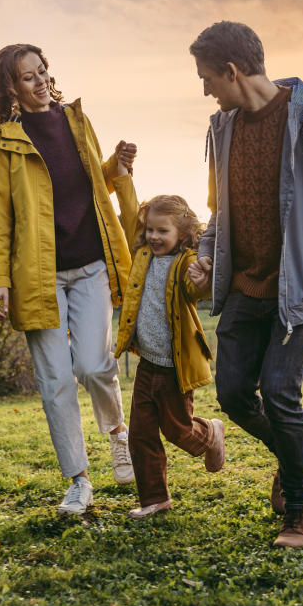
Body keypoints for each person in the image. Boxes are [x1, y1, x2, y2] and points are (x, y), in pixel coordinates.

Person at [187, 22, 303, 547]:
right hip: (248, 286)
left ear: (232, 70)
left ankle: (300, 508)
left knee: (279, 390)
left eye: (207, 78)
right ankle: (291, 463)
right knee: (230, 392)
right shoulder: (222, 127)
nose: (204, 89)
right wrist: (205, 255)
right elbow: (216, 213)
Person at [0, 44, 138, 516]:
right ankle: (78, 482)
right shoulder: (4, 140)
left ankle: (118, 434)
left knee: (92, 364)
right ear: (11, 87)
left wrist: (117, 166)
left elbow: (91, 184)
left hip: (91, 267)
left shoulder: (76, 121)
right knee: (55, 380)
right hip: (37, 276)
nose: (41, 81)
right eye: (28, 77)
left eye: (43, 72)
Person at [114, 194, 226, 519]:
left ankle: (210, 432)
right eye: (150, 229)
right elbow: (128, 211)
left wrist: (202, 280)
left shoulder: (187, 262)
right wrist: (122, 174)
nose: (154, 236)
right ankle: (155, 498)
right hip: (147, 365)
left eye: (162, 231)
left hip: (175, 369)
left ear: (182, 232)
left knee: (177, 430)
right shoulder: (143, 255)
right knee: (140, 434)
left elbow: (199, 289)